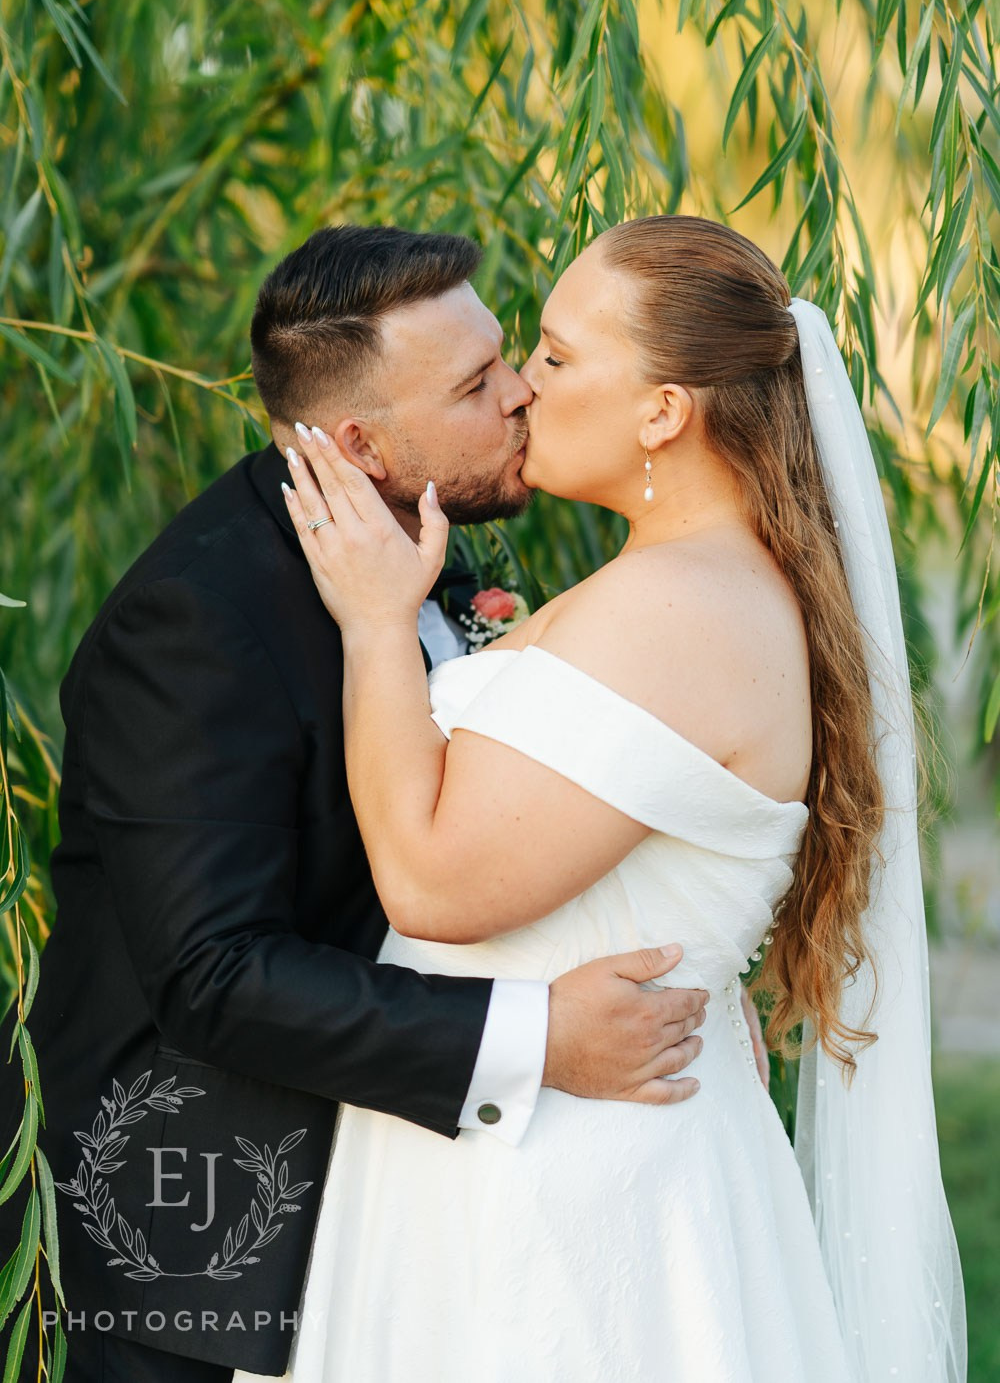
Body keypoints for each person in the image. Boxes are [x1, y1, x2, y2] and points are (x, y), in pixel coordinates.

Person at [0, 226, 713, 1382]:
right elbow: (213, 975)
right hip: (193, 1257)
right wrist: (541, 1038)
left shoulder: (416, 549)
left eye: (507, 356)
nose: (523, 392)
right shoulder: (196, 626)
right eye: (478, 385)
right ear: (360, 443)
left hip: (393, 1210)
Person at [265, 214, 966, 1382]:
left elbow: (434, 882)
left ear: (662, 412)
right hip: (543, 1145)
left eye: (554, 355)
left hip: (566, 1201)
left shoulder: (676, 609)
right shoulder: (689, 586)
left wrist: (381, 623)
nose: (525, 392)